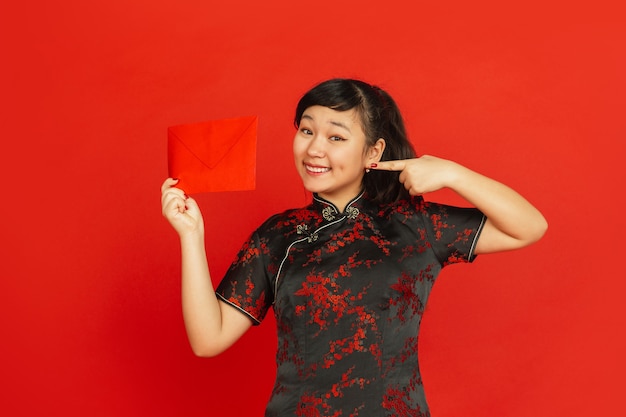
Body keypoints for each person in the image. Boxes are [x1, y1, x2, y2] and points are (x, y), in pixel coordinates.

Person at [161, 78, 547, 416]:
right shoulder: (278, 236)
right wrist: (190, 235)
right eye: (306, 131)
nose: (314, 149)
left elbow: (528, 227)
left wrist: (453, 173)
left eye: (336, 137)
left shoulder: (414, 223)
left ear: (373, 152)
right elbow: (207, 339)